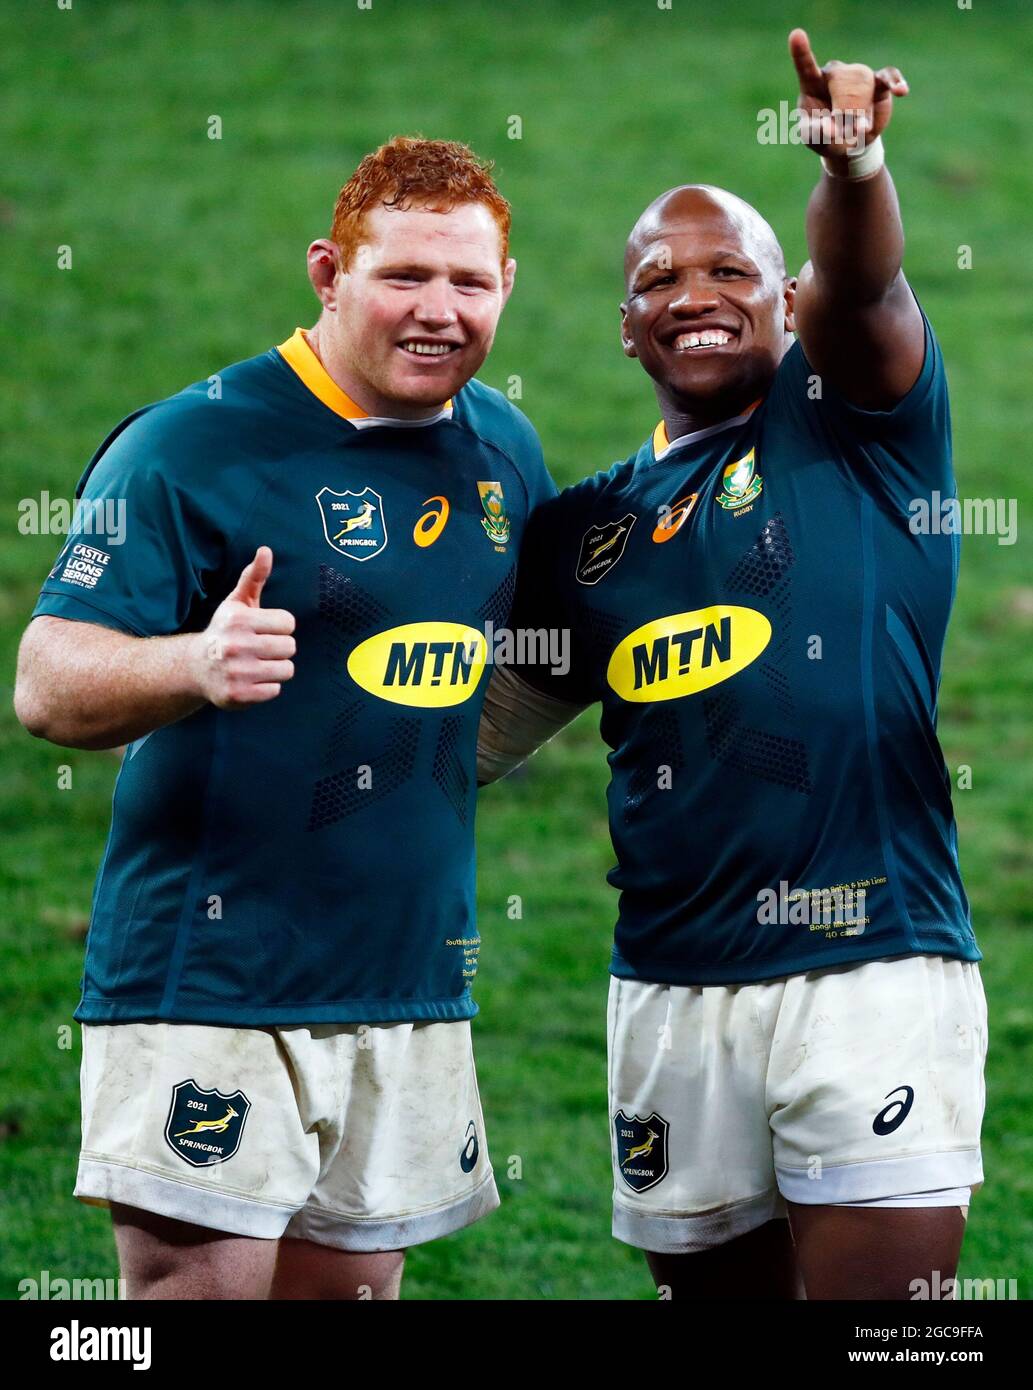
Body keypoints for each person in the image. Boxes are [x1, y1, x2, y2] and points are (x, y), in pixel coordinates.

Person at [477, 31, 987, 1299]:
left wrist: (855, 167)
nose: (693, 289)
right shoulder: (582, 534)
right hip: (670, 987)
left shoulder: (855, 420)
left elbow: (866, 283)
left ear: (786, 298)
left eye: (730, 270)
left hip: (868, 963)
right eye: (659, 276)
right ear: (625, 326)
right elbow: (474, 735)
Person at [14, 136, 555, 1300]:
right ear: (327, 270)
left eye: (467, 282)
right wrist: (193, 661)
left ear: (506, 286)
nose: (437, 311)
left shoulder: (503, 450)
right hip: (213, 976)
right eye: (402, 275)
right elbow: (46, 683)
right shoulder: (192, 444)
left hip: (406, 977)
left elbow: (508, 676)